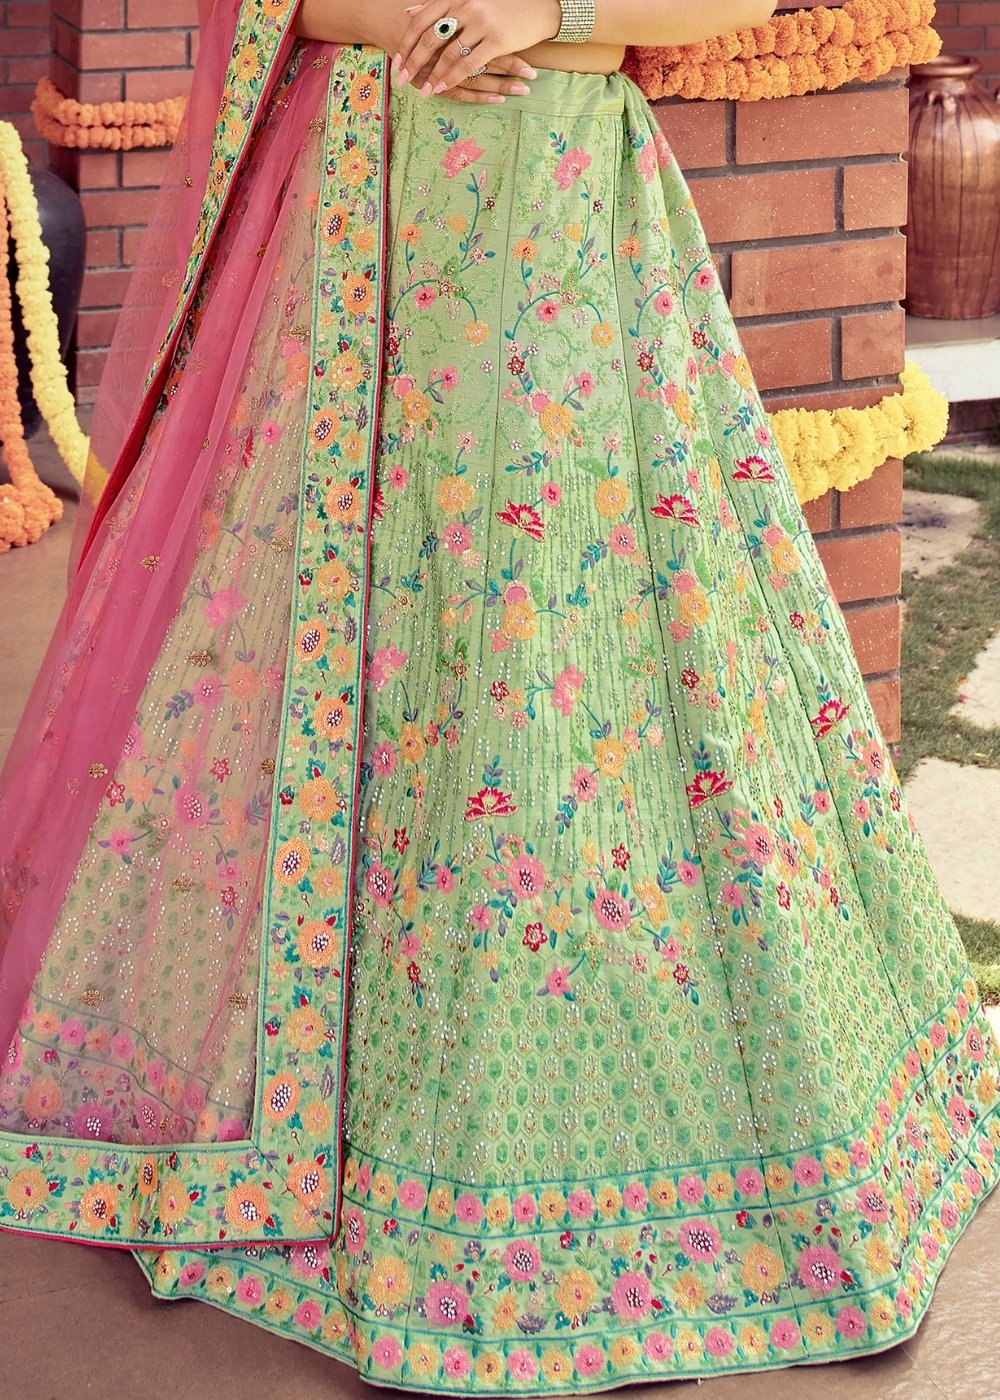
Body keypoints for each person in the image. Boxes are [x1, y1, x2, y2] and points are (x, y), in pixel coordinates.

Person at [0, 0, 996, 1392]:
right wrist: (419, 19)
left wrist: (548, 12)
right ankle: (315, 1127)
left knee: (565, 664)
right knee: (366, 664)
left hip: (572, 232)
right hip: (365, 237)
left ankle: (606, 1153)